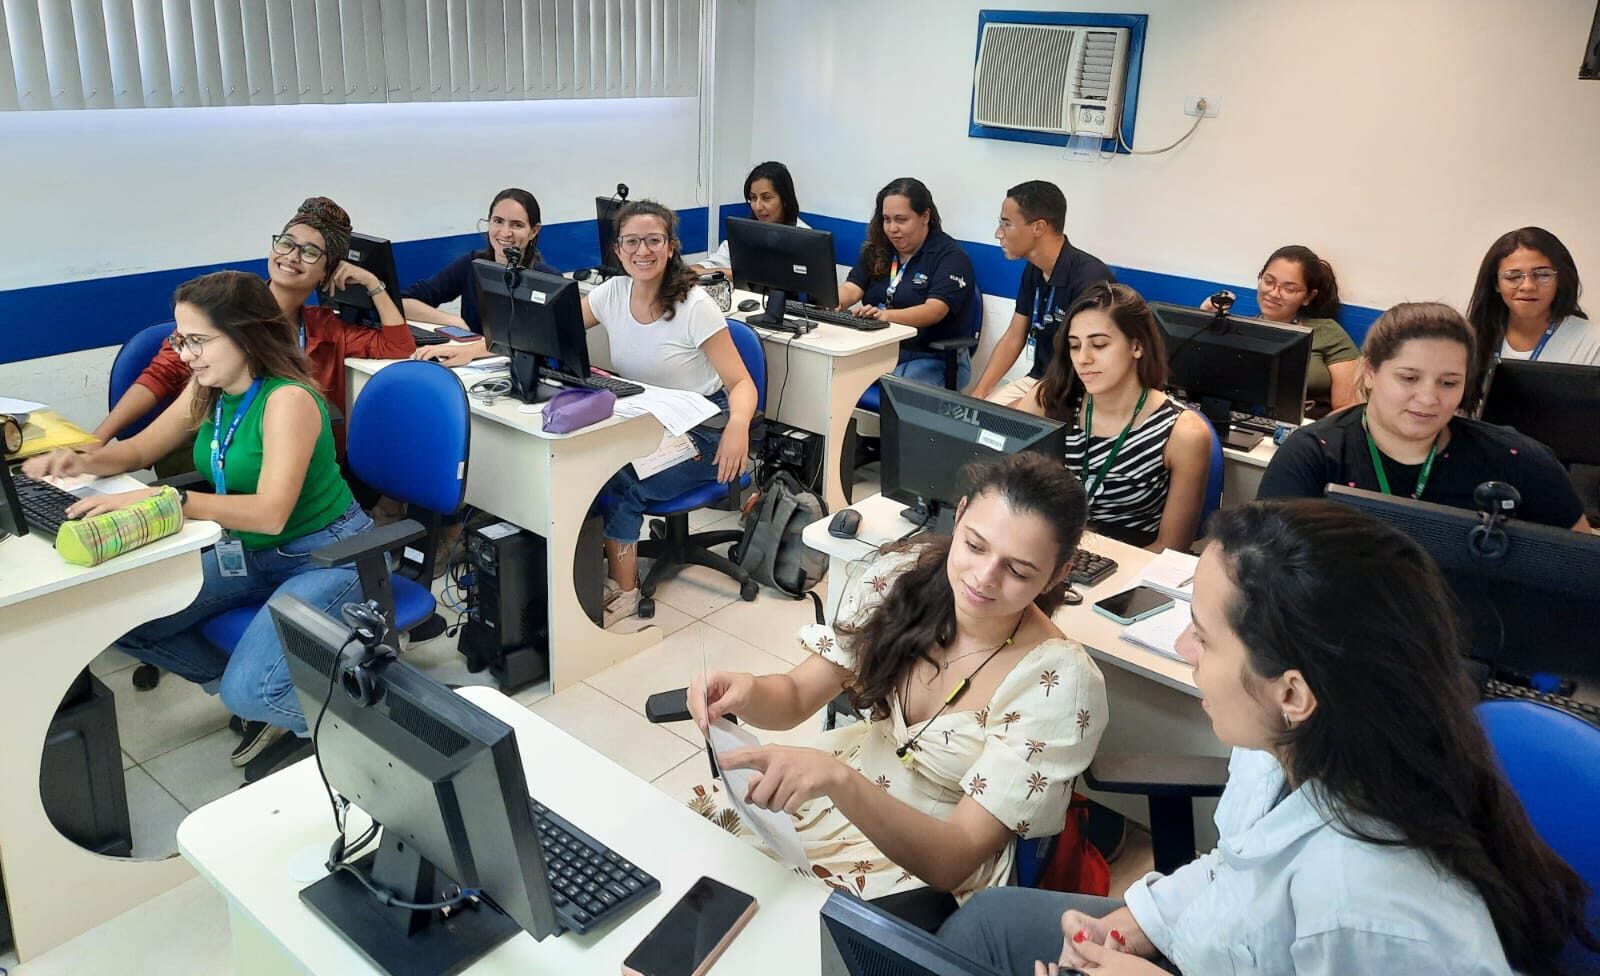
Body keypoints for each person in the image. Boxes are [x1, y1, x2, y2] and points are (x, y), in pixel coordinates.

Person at [938, 500, 1597, 976]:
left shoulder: (1373, 914)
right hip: (1215, 942)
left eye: (1202, 632)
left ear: (1292, 691)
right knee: (982, 924)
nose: (1181, 646)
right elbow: (1239, 865)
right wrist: (1146, 922)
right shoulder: (1284, 743)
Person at [686, 453, 1107, 924]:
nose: (983, 578)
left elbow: (953, 860)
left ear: (1058, 574)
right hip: (848, 793)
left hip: (929, 856)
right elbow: (797, 695)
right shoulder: (904, 575)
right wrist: (747, 690)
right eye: (974, 545)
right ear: (961, 512)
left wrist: (837, 779)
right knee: (697, 855)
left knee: (781, 924)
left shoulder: (1059, 684)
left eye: (1019, 571)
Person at [24, 271, 376, 776]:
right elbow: (140, 450)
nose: (185, 354)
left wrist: (165, 501)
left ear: (245, 333)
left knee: (249, 692)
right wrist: (77, 460)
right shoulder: (207, 389)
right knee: (126, 621)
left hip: (328, 553)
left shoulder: (288, 401)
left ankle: (372, 728)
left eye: (197, 341)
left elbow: (270, 512)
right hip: (251, 552)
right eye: (180, 339)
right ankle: (264, 702)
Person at [95, 197, 414, 460]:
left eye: (310, 252)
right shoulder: (227, 307)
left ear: (326, 272)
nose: (291, 256)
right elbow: (161, 374)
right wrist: (99, 438)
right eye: (286, 243)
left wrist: (373, 284)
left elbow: (398, 347)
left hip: (292, 456)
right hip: (216, 448)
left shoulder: (325, 327)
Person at [1257, 302, 1590, 531]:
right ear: (1370, 371)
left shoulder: (1518, 460)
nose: (1429, 398)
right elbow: (1257, 571)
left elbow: (1578, 569)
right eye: (1409, 378)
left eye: (1449, 382)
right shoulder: (1314, 454)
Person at [582, 200, 758, 624]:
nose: (643, 251)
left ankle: (623, 591)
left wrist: (738, 425)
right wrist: (471, 349)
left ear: (671, 246)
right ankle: (602, 568)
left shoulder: (694, 306)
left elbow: (741, 383)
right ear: (618, 250)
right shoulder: (611, 293)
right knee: (586, 469)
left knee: (625, 481)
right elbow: (549, 325)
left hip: (705, 428)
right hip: (649, 419)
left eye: (654, 241)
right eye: (632, 242)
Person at [1018, 283, 1212, 551]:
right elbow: (1002, 482)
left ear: (1137, 346)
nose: (1083, 358)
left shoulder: (1183, 432)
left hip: (1129, 569)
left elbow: (1172, 547)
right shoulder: (1049, 399)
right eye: (1074, 346)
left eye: (1099, 345)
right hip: (1045, 555)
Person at [974, 181, 1114, 407]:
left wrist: (1024, 404)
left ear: (1039, 227)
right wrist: (979, 394)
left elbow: (1092, 362)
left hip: (1078, 388)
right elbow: (1014, 337)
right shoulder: (1034, 269)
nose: (998, 233)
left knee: (1005, 422)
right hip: (1039, 379)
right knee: (979, 416)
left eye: (1007, 224)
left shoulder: (1090, 279)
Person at [836, 178, 979, 390]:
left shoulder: (950, 257)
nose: (892, 228)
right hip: (878, 351)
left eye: (901, 220)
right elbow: (852, 288)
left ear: (925, 216)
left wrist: (885, 316)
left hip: (931, 357)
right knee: (831, 378)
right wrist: (828, 300)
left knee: (897, 394)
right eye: (886, 219)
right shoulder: (878, 249)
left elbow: (934, 310)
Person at [1206, 245, 1359, 417]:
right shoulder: (1237, 329)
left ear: (1308, 297)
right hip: (1241, 425)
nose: (1273, 293)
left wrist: (1309, 436)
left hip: (1308, 431)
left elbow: (1349, 409)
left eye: (1289, 289)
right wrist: (1207, 328)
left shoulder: (1328, 333)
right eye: (1268, 281)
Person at [1466, 226, 1597, 406]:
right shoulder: (1471, 339)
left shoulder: (1593, 342)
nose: (1527, 286)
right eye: (1513, 276)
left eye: (1542, 275)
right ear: (1495, 284)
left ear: (1561, 280)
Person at [402, 187, 559, 335]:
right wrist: (451, 320)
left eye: (516, 225)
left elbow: (533, 340)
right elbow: (404, 302)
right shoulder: (472, 264)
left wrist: (471, 350)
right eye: (498, 221)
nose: (505, 233)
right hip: (470, 362)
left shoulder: (549, 280)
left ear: (533, 231)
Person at [689, 161, 809, 279]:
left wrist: (733, 274)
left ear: (785, 199)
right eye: (753, 198)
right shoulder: (745, 232)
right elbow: (710, 265)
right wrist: (694, 270)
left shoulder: (805, 239)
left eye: (766, 198)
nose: (757, 207)